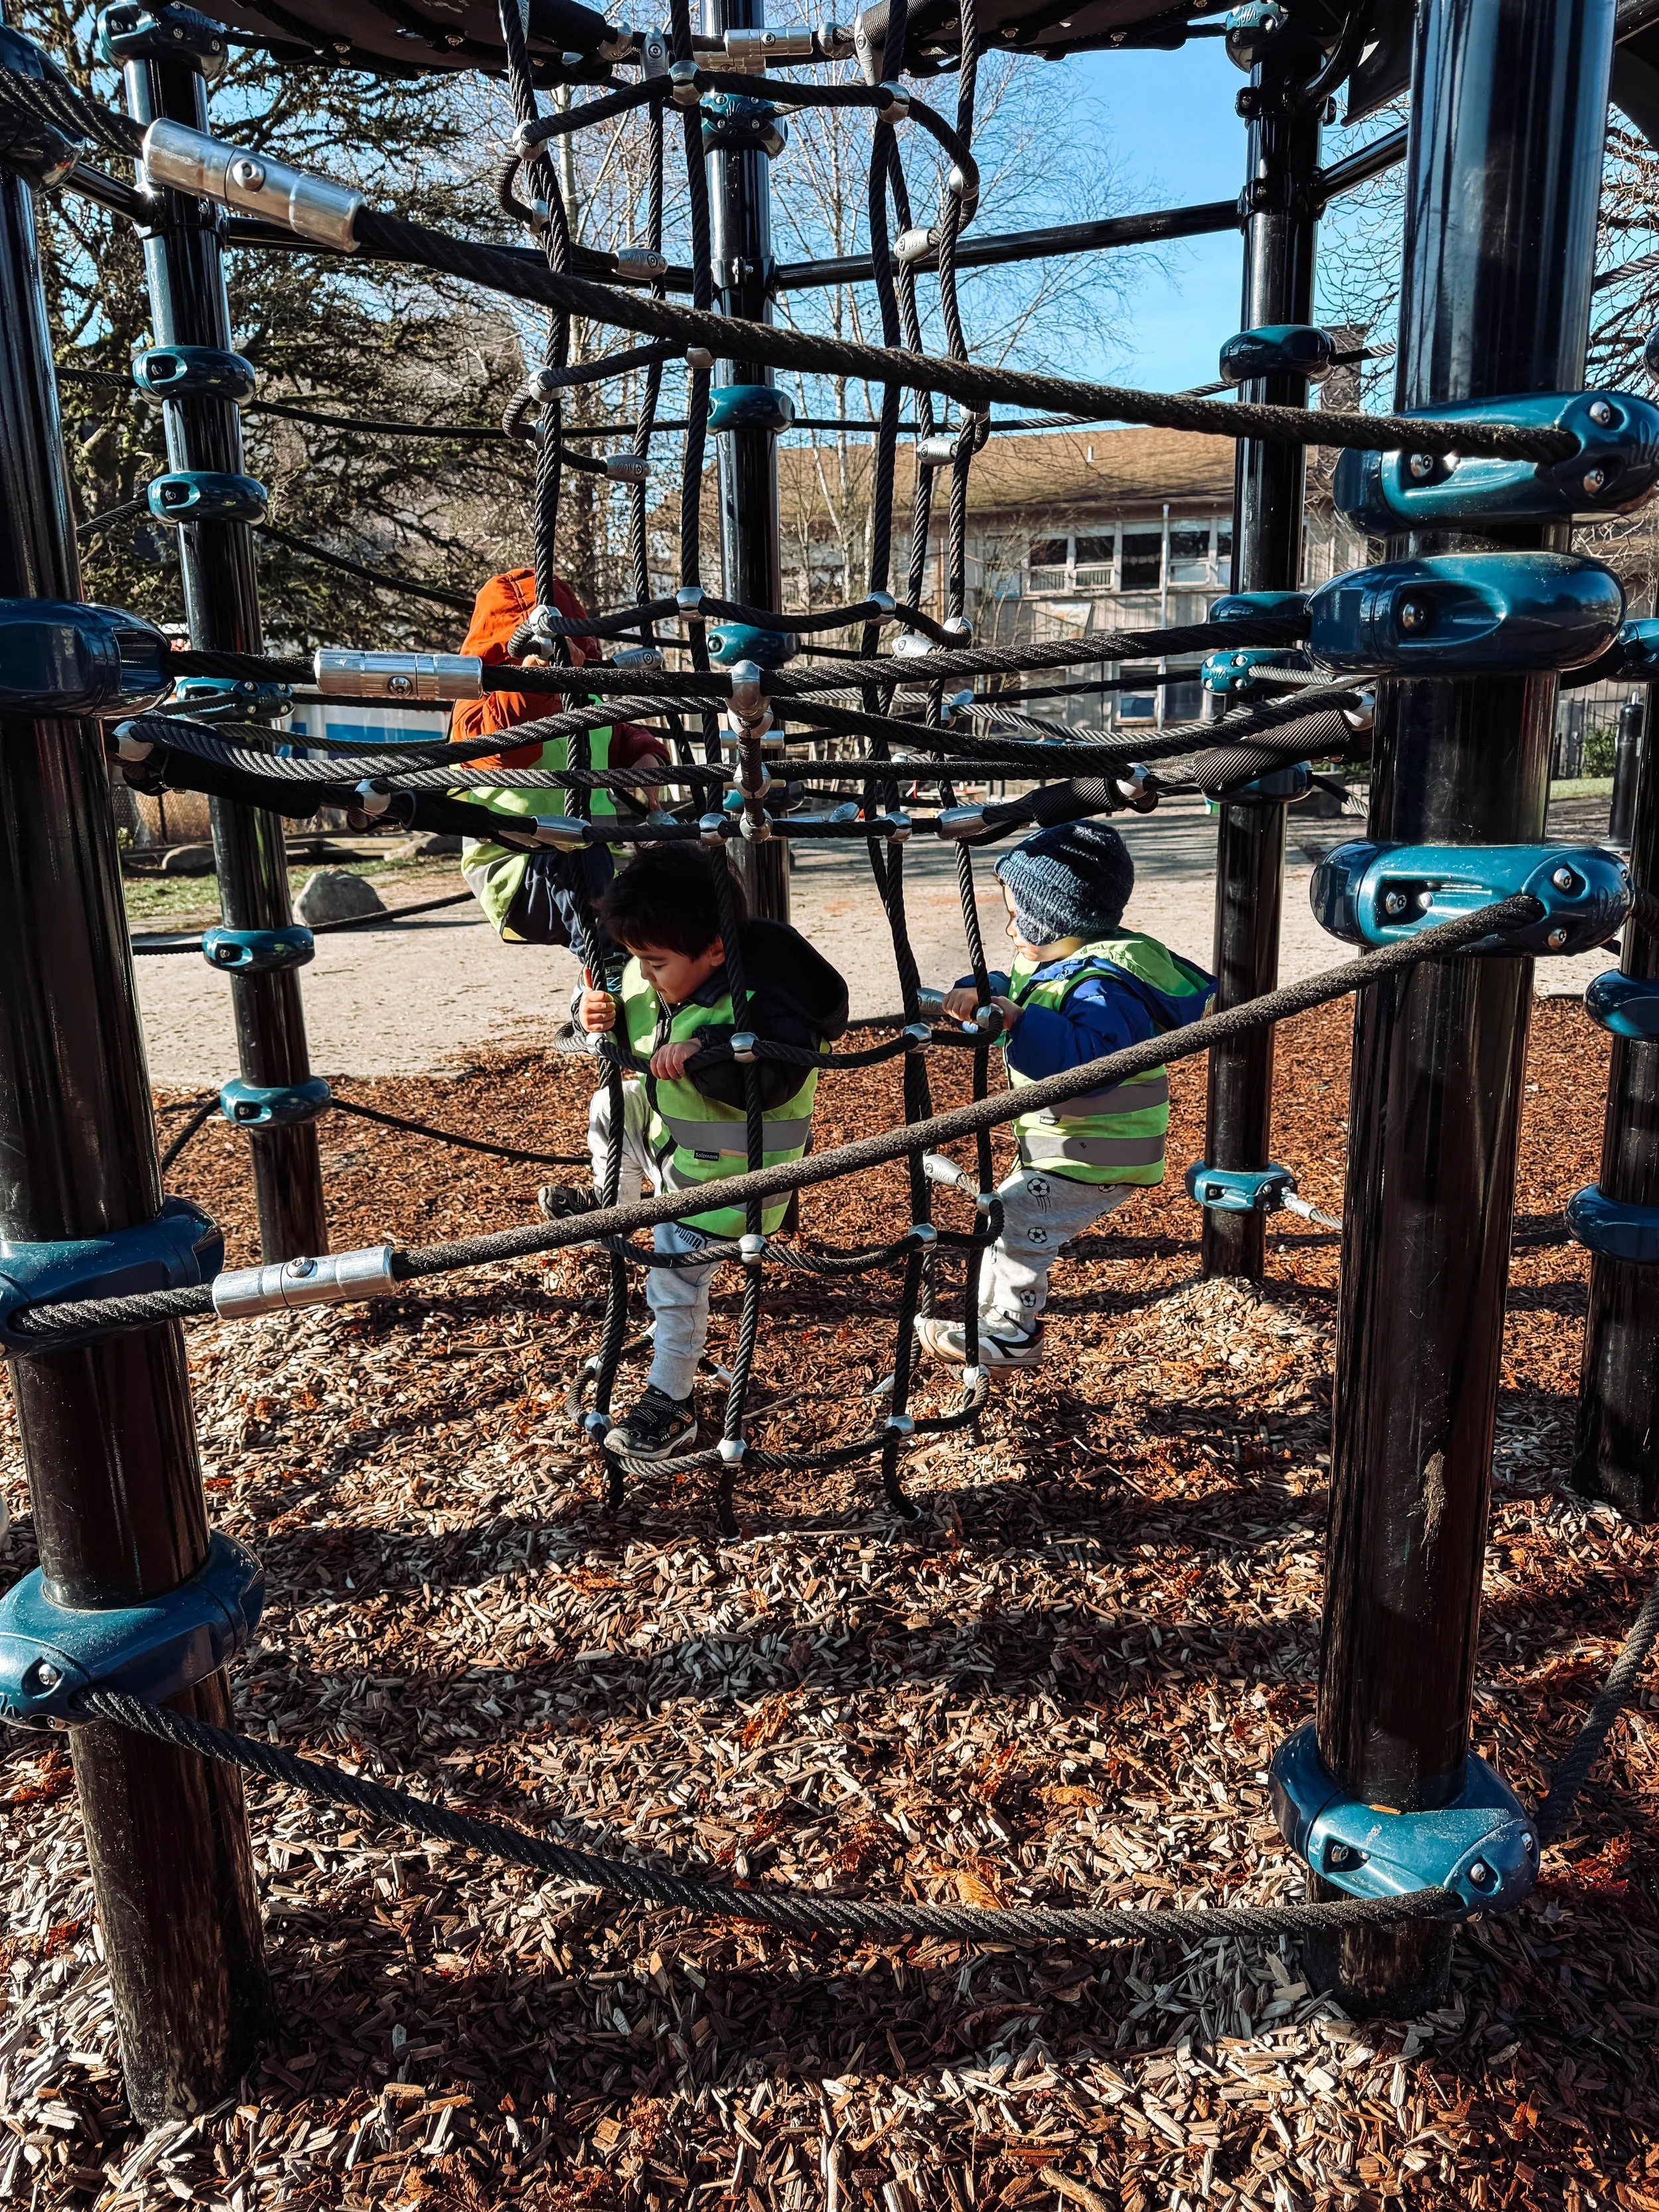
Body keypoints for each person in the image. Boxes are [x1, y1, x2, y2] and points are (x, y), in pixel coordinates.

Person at [562, 842, 849, 1459]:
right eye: (638, 959)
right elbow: (615, 1014)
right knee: (611, 1106)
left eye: (656, 962)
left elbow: (774, 1076)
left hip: (734, 1193)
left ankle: (673, 1402)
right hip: (680, 1161)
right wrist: (588, 1013)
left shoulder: (763, 1007)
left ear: (716, 950)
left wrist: (713, 1054)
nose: (644, 974)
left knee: (672, 1285)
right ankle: (614, 1214)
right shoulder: (664, 984)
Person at [915, 818, 1213, 1370]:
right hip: (1069, 1145)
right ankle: (987, 1322)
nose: (1009, 932)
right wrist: (989, 991)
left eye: (1016, 918)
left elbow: (1091, 1063)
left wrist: (1021, 1022)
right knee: (1001, 1218)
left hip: (1099, 1153)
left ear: (1056, 918)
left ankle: (1012, 1332)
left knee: (1015, 1218)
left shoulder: (1106, 986)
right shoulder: (1063, 960)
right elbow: (1022, 981)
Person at [448, 567, 671, 967]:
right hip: (515, 867)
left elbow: (617, 729)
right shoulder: (481, 697)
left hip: (591, 852)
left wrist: (643, 753)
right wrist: (533, 685)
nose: (569, 658)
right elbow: (498, 746)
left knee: (667, 879)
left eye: (575, 649)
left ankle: (652, 977)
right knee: (587, 875)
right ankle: (607, 973)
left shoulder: (585, 692)